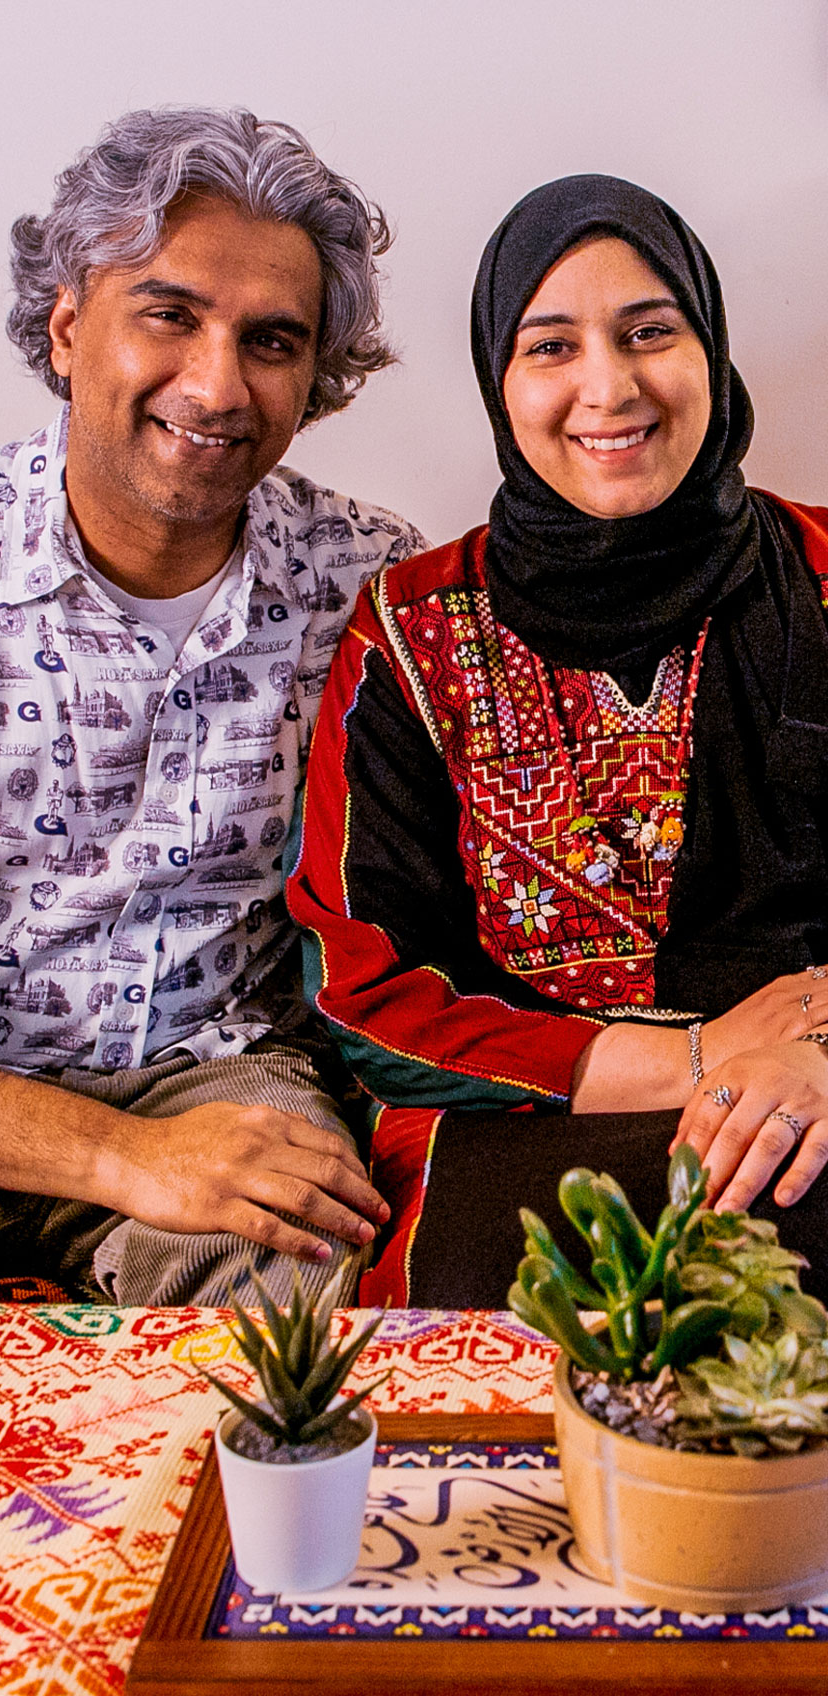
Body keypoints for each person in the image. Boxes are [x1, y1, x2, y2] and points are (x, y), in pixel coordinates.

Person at [0, 106, 427, 1307]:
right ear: (64, 324)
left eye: (271, 340)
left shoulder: (369, 585)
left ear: (315, 379)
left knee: (304, 1305)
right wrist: (115, 1155)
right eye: (169, 313)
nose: (215, 382)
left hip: (217, 1087)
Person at [286, 174, 828, 1308]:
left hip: (808, 1107)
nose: (607, 386)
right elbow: (360, 982)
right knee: (492, 1318)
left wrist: (816, 1053)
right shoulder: (412, 634)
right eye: (550, 346)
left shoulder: (820, 579)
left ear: (707, 346)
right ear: (499, 381)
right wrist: (680, 1062)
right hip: (521, 1131)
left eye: (648, 331)